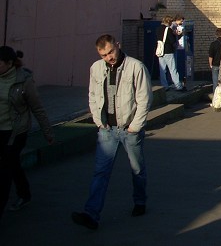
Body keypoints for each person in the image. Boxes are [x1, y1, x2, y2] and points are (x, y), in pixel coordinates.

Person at [72, 34, 152, 230]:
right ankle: (91, 214)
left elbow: (144, 98)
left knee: (137, 169)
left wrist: (135, 126)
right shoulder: (96, 68)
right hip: (107, 130)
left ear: (118, 45)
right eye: (104, 55)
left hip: (129, 129)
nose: (109, 57)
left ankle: (139, 201)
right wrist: (98, 121)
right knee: (101, 172)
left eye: (110, 52)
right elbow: (92, 95)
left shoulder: (136, 67)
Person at [0, 46, 54, 216]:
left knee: (6, 169)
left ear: (10, 63)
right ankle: (24, 194)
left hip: (15, 132)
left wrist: (48, 133)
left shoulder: (24, 80)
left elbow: (37, 108)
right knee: (13, 164)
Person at [156, 16, 185, 92]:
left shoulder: (158, 29)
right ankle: (178, 86)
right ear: (168, 22)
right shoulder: (168, 29)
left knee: (162, 70)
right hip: (168, 51)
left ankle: (164, 86)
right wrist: (178, 35)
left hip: (160, 52)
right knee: (173, 69)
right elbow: (172, 41)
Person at [208, 27, 221, 93]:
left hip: (215, 65)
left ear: (216, 35)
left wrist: (210, 64)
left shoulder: (213, 44)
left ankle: (216, 99)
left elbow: (210, 56)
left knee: (215, 83)